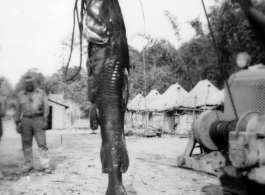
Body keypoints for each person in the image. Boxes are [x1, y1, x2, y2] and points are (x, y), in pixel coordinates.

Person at [14, 75, 52, 174]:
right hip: (25, 121)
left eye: (31, 82)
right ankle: (28, 165)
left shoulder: (41, 93)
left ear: (34, 82)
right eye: (27, 83)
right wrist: (17, 123)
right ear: (24, 84)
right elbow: (17, 110)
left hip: (39, 119)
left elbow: (46, 107)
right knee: (26, 145)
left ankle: (46, 165)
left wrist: (45, 120)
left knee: (42, 144)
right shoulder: (20, 95)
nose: (29, 84)